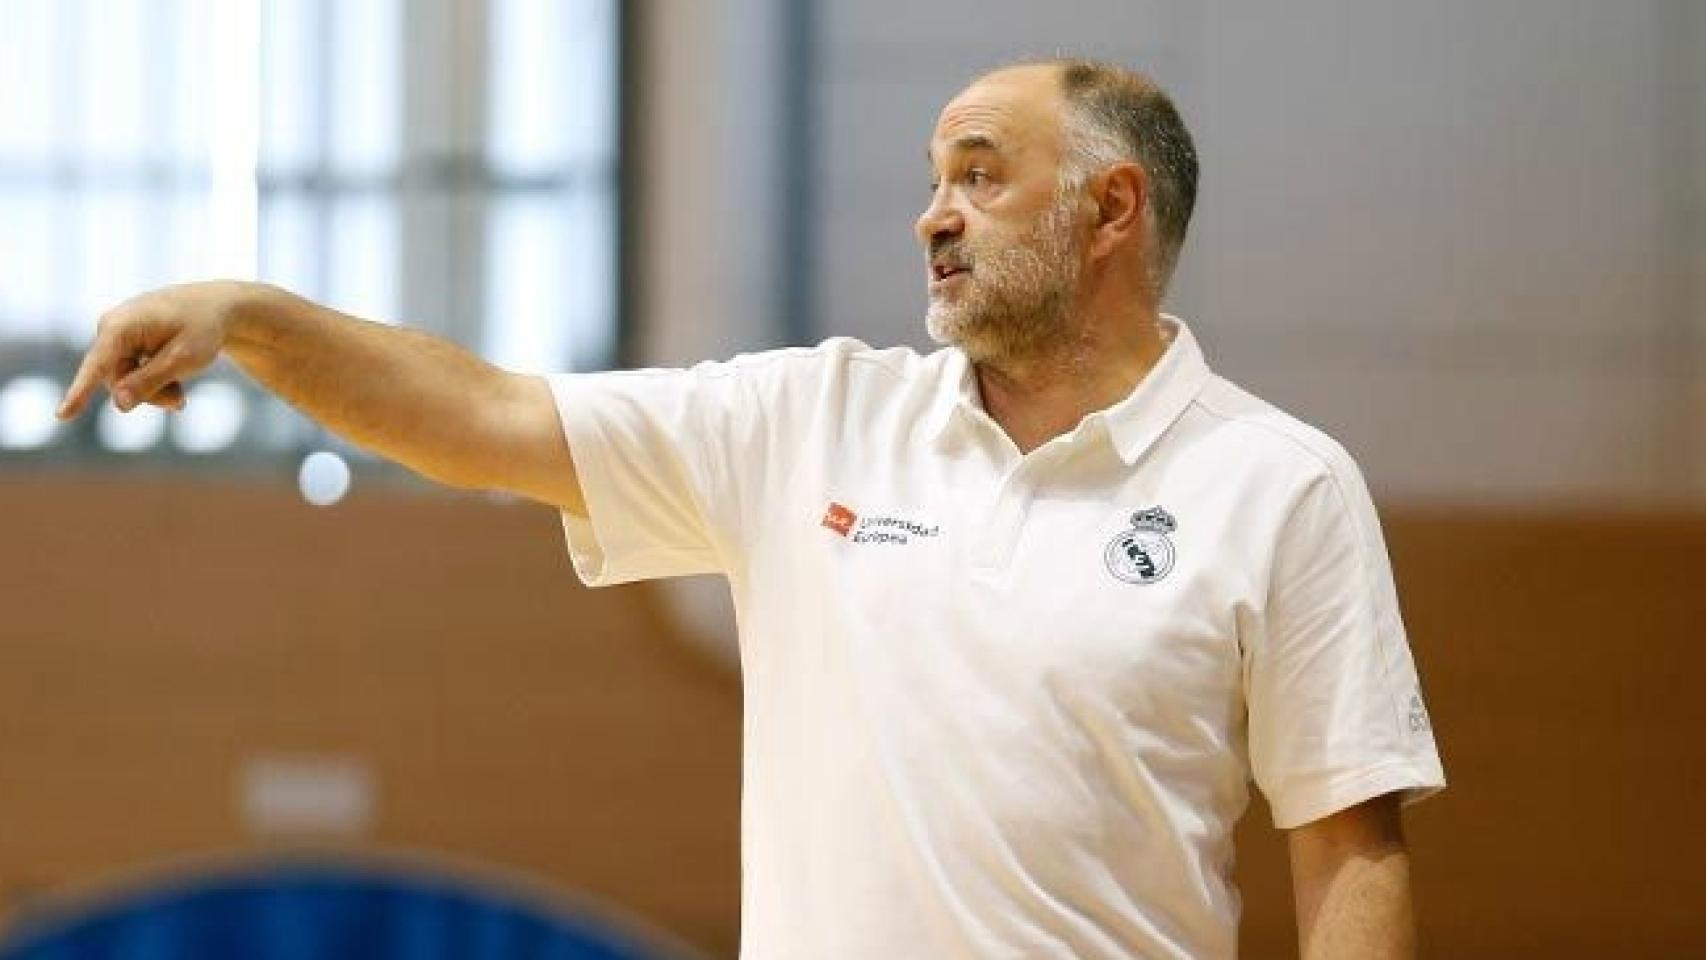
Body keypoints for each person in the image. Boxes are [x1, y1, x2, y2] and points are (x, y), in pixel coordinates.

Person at [58, 58, 1445, 959]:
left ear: (1108, 212)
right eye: (928, 181)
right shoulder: (809, 421)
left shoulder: (1279, 484)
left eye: (977, 172)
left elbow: (1349, 851)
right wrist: (253, 320)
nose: (931, 214)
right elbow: (481, 417)